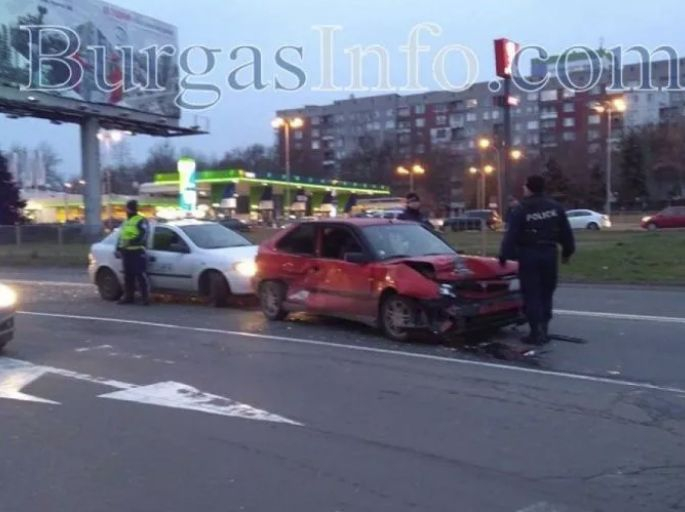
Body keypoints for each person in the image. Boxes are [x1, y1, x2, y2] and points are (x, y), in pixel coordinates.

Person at [499, 175, 575, 345]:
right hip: (549, 253)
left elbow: (511, 235)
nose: (523, 189)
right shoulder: (555, 207)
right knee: (546, 292)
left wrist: (504, 255)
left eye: (524, 186)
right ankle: (544, 328)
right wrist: (567, 252)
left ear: (529, 188)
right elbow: (566, 233)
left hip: (529, 254)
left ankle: (535, 332)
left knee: (532, 293)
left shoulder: (521, 209)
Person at [117, 200, 150, 305]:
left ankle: (145, 297)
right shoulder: (126, 221)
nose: (126, 210)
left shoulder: (140, 220)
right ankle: (129, 296)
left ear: (129, 208)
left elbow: (144, 235)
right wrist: (118, 247)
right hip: (126, 252)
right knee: (128, 275)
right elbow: (121, 235)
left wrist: (132, 241)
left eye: (127, 208)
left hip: (137, 251)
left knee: (140, 274)